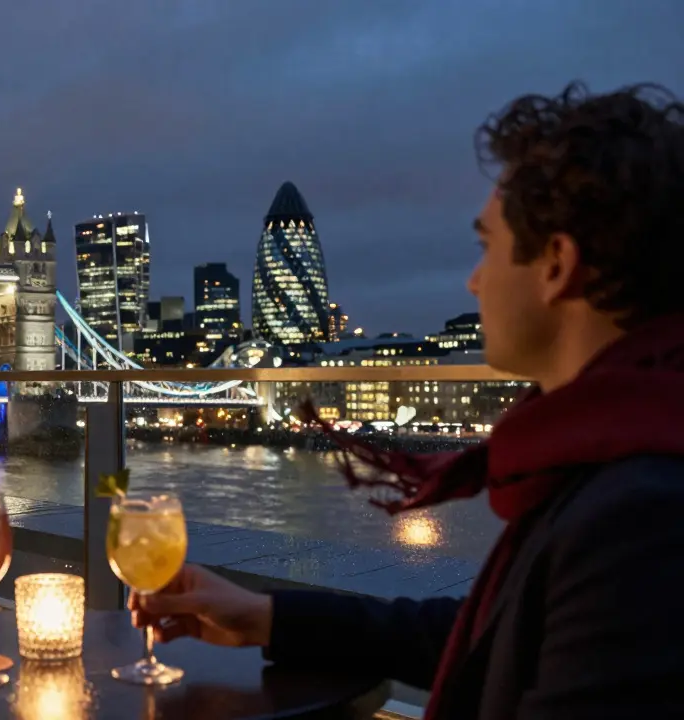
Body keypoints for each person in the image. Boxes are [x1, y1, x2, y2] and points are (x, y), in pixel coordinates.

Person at [134, 82, 684, 719]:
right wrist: (267, 616)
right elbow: (491, 638)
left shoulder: (640, 520)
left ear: (557, 264)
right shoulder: (605, 462)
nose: (473, 280)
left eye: (487, 246)